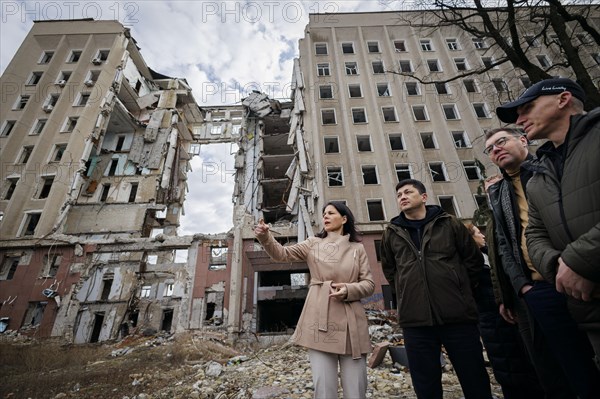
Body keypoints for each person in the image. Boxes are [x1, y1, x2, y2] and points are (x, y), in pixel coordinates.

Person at [380, 179, 492, 399]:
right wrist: (406, 292)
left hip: (458, 317)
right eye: (399, 194)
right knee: (425, 383)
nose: (402, 196)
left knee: (474, 377)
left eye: (408, 192)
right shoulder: (391, 233)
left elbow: (473, 261)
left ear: (423, 197)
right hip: (415, 321)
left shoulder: (450, 223)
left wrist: (459, 290)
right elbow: (391, 271)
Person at [254, 201, 374, 399]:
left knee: (357, 390)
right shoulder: (313, 244)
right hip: (320, 319)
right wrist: (265, 237)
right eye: (324, 213)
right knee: (324, 390)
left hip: (352, 322)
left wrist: (348, 289)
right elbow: (282, 254)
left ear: (344, 219)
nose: (325, 216)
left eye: (331, 213)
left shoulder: (357, 249)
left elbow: (369, 284)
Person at [465, 222, 544, 399]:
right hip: (493, 321)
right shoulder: (472, 264)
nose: (483, 236)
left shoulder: (489, 256)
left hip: (511, 317)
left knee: (527, 364)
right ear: (470, 239)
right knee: (510, 369)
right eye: (478, 233)